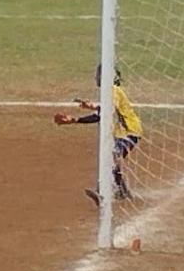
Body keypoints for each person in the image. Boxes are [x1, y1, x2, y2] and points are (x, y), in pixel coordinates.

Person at [55, 66, 141, 206]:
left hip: (129, 131)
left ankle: (105, 193)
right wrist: (92, 107)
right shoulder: (112, 92)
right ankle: (122, 191)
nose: (96, 78)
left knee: (111, 158)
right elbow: (106, 110)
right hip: (122, 132)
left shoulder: (114, 91)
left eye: (99, 75)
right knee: (111, 158)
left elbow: (101, 116)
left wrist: (76, 120)